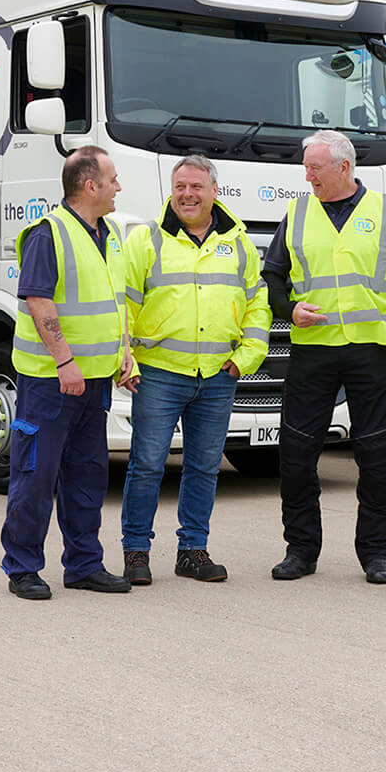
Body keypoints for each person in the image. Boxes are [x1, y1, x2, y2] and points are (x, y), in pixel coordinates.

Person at [260, 129, 386, 584]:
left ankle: (378, 554)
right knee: (296, 454)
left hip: (373, 352)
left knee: (376, 455)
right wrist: (288, 309)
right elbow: (273, 277)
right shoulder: (297, 213)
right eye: (306, 168)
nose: (308, 176)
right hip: (313, 351)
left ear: (343, 167)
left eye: (314, 168)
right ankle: (300, 550)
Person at [117, 155, 271, 585]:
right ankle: (136, 551)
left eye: (196, 187)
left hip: (219, 375)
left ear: (214, 191)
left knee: (204, 466)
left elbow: (257, 304)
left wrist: (247, 357)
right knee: (147, 465)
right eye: (180, 186)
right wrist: (123, 359)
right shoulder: (146, 240)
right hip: (158, 374)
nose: (187, 194)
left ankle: (192, 551)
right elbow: (122, 306)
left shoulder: (238, 243)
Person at [0, 145, 137, 600]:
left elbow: (115, 301)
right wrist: (64, 362)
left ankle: (83, 565)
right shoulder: (49, 234)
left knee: (87, 478)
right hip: (51, 381)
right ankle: (22, 568)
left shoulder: (109, 234)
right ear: (90, 185)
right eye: (113, 180)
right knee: (36, 476)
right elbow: (39, 301)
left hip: (94, 382)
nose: (119, 187)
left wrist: (124, 354)